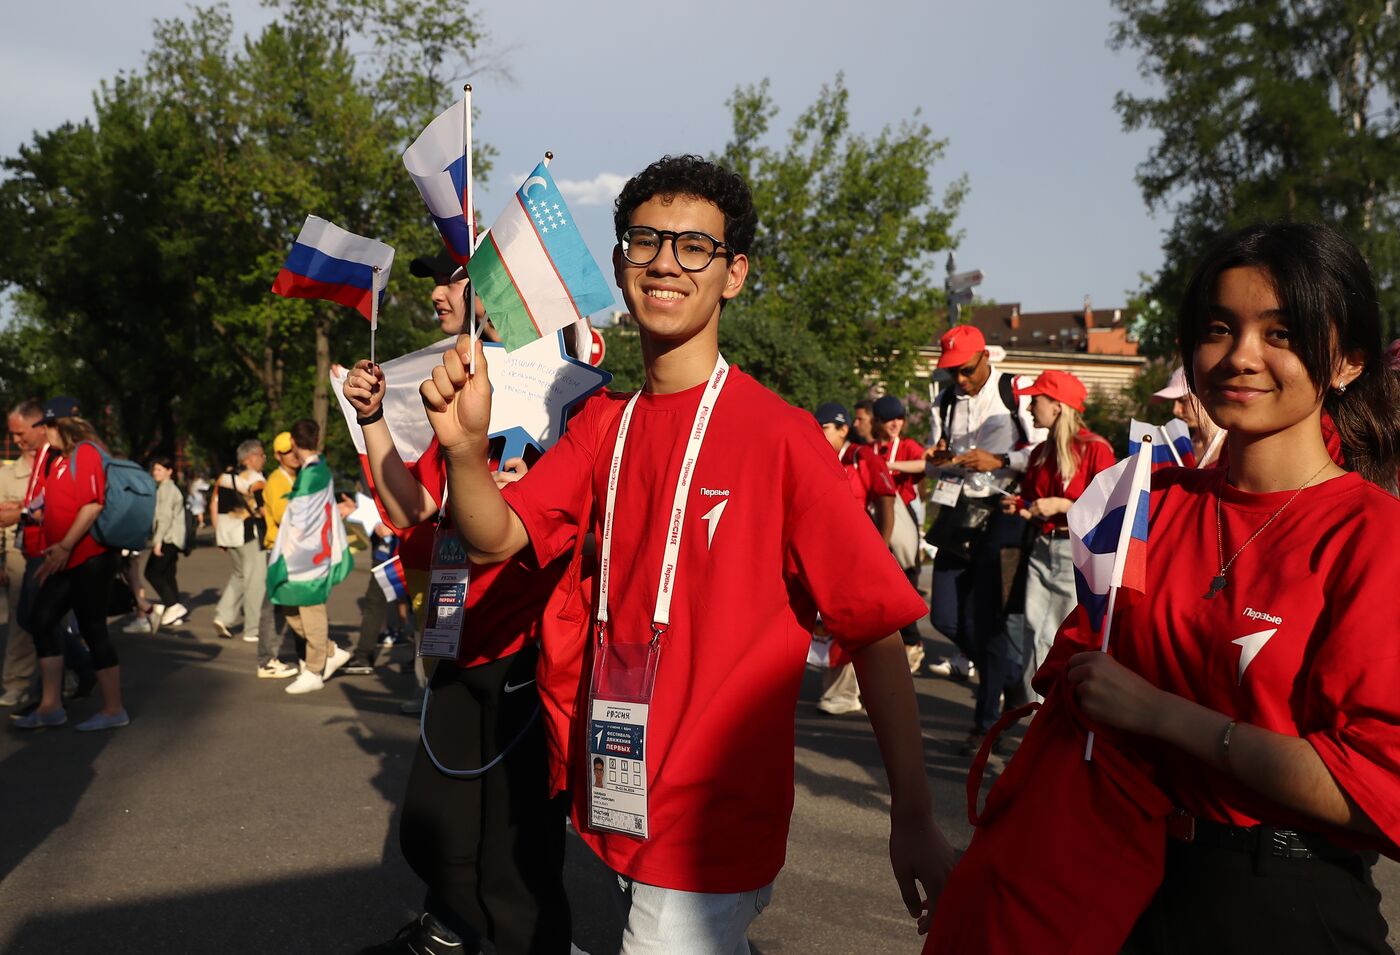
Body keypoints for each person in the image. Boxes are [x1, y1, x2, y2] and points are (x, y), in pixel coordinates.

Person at [420, 154, 953, 949]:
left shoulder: (782, 436)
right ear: (620, 263)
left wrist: (911, 813)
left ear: (733, 274)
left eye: (692, 247)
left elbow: (875, 629)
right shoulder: (604, 424)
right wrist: (464, 451)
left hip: (715, 819)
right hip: (617, 788)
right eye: (645, 242)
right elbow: (498, 535)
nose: (665, 262)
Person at [1036, 223, 1400, 953]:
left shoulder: (1372, 534)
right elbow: (1076, 680)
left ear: (1349, 361)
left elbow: (1371, 789)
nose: (1241, 355)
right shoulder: (1147, 499)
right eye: (1217, 328)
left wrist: (1163, 715)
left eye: (1282, 333)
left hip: (1285, 903)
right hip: (1119, 878)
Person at [346, 252, 578, 955]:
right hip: (454, 636)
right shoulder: (456, 395)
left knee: (519, 847)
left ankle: (520, 941)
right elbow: (410, 507)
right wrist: (372, 417)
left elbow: (563, 512)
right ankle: (449, 925)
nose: (437, 295)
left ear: (491, 293)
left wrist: (520, 475)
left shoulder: (554, 388)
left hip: (527, 650)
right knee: (430, 820)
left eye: (451, 280)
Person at [923, 324, 1045, 753]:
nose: (959, 379)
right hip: (959, 510)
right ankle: (1010, 676)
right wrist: (937, 461)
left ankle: (985, 724)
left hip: (1006, 512)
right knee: (944, 615)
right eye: (952, 371)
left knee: (990, 621)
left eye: (966, 369)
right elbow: (934, 464)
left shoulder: (1016, 393)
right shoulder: (944, 401)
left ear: (985, 359)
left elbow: (1044, 452)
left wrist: (1000, 458)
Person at [12, 397, 128, 731]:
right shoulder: (59, 460)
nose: (44, 433)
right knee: (41, 619)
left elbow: (92, 505)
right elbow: (51, 500)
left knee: (93, 629)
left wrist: (63, 546)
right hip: (64, 557)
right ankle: (50, 706)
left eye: (47, 426)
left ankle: (113, 709)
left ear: (62, 425)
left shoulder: (87, 452)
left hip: (89, 557)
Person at [1001, 371, 1114, 703]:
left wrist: (1064, 505)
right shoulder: (1041, 453)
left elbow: (1111, 511)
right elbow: (1034, 500)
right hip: (1042, 545)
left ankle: (1051, 715)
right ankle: (1038, 714)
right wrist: (1022, 507)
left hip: (1075, 552)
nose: (1030, 405)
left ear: (1058, 406)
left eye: (1037, 399)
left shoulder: (1095, 449)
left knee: (1057, 635)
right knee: (1035, 632)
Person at [813, 401, 898, 715]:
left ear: (843, 428)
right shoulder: (821, 457)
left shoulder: (863, 457)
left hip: (858, 554)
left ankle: (847, 692)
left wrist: (881, 550)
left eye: (824, 428)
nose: (818, 434)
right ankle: (840, 689)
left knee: (851, 624)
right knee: (830, 624)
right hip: (827, 553)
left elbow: (886, 500)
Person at [272, 419, 352, 695]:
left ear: (293, 442)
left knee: (311, 612)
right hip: (305, 555)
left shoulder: (313, 474)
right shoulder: (317, 471)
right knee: (291, 607)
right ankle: (329, 652)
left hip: (309, 557)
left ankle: (314, 670)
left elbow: (301, 519)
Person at [871, 394, 929, 673]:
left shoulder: (906, 446)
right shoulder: (871, 448)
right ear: (878, 422)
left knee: (905, 580)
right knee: (881, 584)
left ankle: (912, 641)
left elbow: (922, 465)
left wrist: (888, 467)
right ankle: (892, 643)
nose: (895, 423)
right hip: (875, 518)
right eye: (889, 419)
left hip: (903, 517)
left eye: (899, 418)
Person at [0, 401, 44, 708]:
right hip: (19, 554)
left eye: (20, 433)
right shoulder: (6, 475)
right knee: (21, 618)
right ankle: (16, 682)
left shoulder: (60, 463)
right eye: (12, 435)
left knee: (62, 619)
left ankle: (70, 674)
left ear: (39, 425)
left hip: (58, 550)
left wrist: (19, 511)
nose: (16, 440)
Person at [250, 431, 299, 679]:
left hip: (289, 549)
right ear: (278, 455)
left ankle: (274, 657)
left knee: (287, 604)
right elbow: (283, 515)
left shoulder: (294, 477)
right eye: (287, 451)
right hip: (278, 550)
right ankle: (266, 660)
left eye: (295, 449)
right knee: (273, 606)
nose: (293, 455)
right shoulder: (277, 480)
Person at [211, 439, 267, 644]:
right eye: (262, 455)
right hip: (248, 534)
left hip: (227, 533)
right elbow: (263, 508)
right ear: (251, 457)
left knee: (239, 575)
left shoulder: (224, 477)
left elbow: (214, 504)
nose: (264, 459)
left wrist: (219, 534)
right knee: (255, 579)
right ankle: (252, 629)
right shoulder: (254, 478)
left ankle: (222, 616)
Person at [143, 455, 189, 629]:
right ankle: (174, 612)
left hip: (168, 538)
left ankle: (173, 606)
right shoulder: (168, 488)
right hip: (174, 538)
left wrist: (157, 541)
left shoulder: (166, 489)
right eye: (155, 469)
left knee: (152, 572)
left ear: (170, 471)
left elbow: (164, 518)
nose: (156, 472)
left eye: (160, 469)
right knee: (168, 575)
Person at [1151, 366, 1224, 465]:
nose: (1176, 410)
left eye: (1182, 400)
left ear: (1205, 394)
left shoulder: (1236, 445)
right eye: (1173, 402)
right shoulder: (1179, 446)